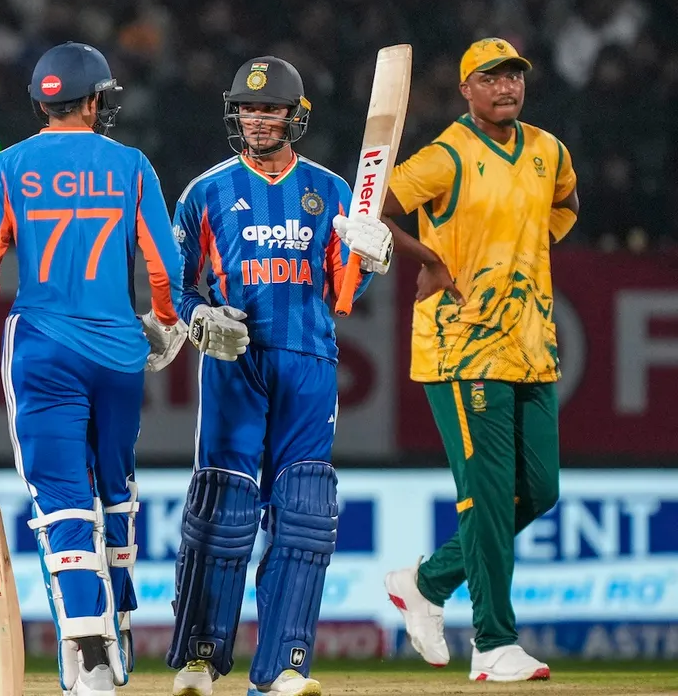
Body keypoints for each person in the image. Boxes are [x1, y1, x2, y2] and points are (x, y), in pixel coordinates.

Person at [0, 41, 184, 696]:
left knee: (61, 496)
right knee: (116, 485)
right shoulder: (130, 165)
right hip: (121, 350)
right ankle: (120, 619)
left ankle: (86, 638)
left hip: (43, 348)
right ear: (96, 100)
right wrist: (163, 323)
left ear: (42, 102)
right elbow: (165, 265)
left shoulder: (9, 167)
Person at [160, 57, 390, 696]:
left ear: (295, 116)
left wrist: (371, 255)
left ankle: (286, 665)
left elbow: (344, 288)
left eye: (270, 110)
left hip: (308, 360)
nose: (256, 119)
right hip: (234, 361)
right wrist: (199, 313)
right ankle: (200, 658)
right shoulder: (205, 192)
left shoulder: (331, 191)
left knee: (305, 511)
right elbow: (169, 287)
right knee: (222, 509)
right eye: (247, 109)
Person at [381, 37, 576, 683]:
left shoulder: (549, 150)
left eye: (514, 76)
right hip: (462, 345)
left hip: (531, 343)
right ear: (467, 89)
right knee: (488, 496)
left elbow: (567, 203)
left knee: (539, 490)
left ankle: (426, 582)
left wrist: (522, 244)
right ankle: (493, 643)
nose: (506, 88)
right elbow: (377, 208)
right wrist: (431, 259)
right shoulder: (446, 155)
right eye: (490, 78)